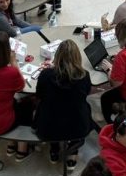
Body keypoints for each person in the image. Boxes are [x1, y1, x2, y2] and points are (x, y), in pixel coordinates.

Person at [34, 38, 93, 168]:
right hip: (77, 127)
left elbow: (39, 95)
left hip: (48, 127)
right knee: (84, 107)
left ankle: (54, 149)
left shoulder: (46, 74)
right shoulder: (84, 76)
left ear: (57, 56)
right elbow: (86, 94)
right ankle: (73, 152)